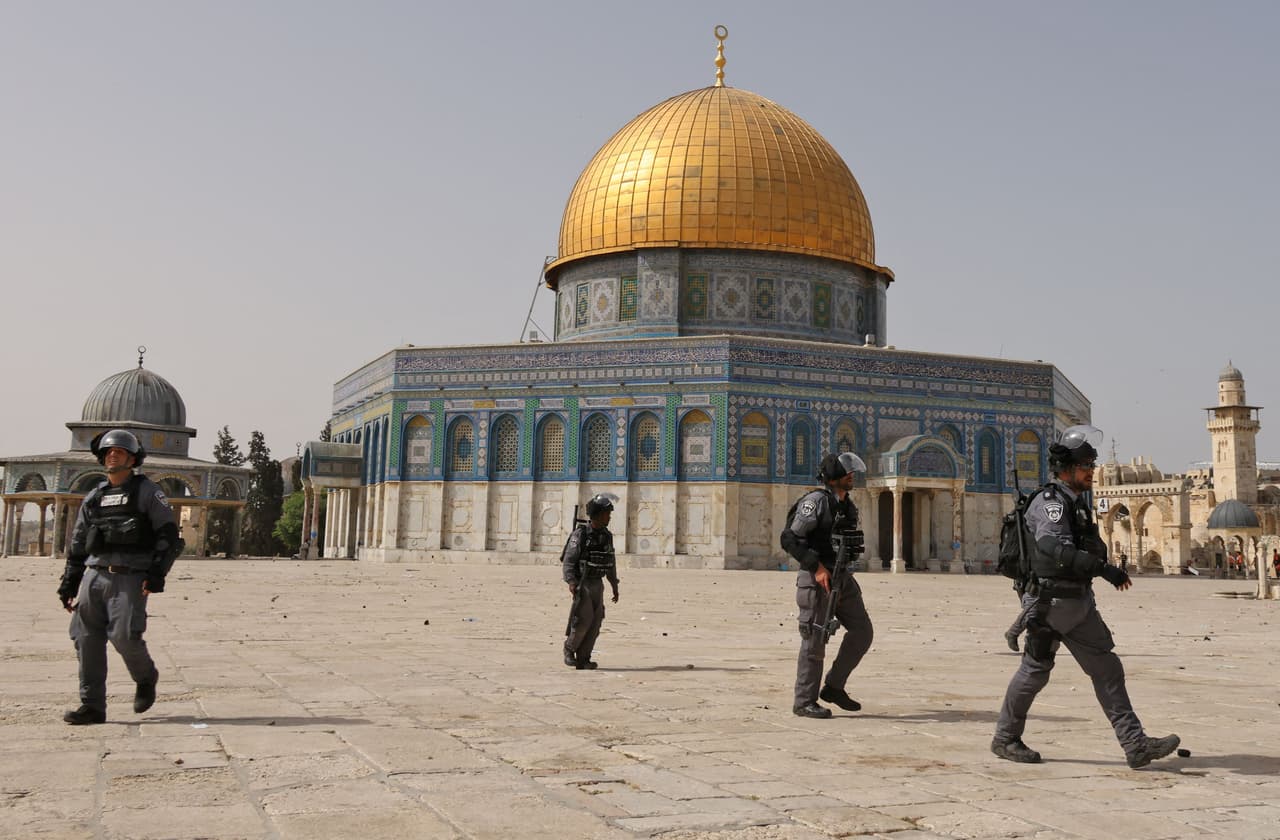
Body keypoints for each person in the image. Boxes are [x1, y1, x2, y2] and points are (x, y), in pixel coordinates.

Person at [992, 425, 1180, 768]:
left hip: (1077, 603)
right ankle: (1005, 738)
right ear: (1067, 468)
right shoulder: (1051, 503)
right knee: (1036, 671)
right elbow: (1051, 545)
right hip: (1052, 603)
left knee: (1106, 668)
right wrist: (1103, 569)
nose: (1091, 473)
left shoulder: (1075, 503)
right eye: (1085, 467)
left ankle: (1134, 744)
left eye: (1092, 467)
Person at [56, 430, 181, 724]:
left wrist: (157, 574)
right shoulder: (95, 497)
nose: (113, 456)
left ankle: (146, 676)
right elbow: (78, 542)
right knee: (85, 639)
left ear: (132, 459)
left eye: (120, 452)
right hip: (94, 576)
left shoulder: (147, 492)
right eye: (109, 452)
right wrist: (69, 583)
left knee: (125, 635)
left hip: (129, 577)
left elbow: (168, 535)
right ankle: (92, 706)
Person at [782, 452, 873, 718]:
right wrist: (817, 567)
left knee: (862, 631)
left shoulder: (847, 506)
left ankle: (834, 686)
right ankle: (804, 701)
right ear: (833, 479)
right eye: (847, 474)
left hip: (843, 577)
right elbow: (789, 538)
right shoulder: (815, 503)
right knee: (815, 638)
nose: (852, 477)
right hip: (817, 579)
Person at [561, 494, 619, 670]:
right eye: (606, 514)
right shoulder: (581, 535)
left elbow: (610, 561)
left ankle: (584, 658)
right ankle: (569, 649)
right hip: (584, 583)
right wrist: (572, 582)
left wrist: (614, 585)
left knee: (595, 623)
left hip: (597, 584)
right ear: (598, 515)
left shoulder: (606, 536)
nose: (608, 517)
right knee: (583, 621)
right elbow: (569, 561)